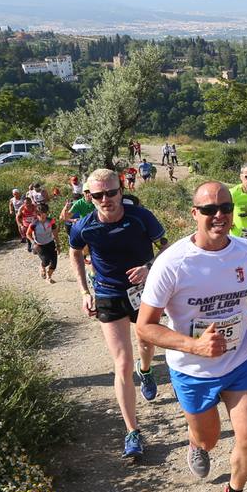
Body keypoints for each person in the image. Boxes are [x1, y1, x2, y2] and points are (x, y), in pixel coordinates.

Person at [137, 182, 247, 492]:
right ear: (194, 214)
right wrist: (194, 346)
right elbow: (145, 327)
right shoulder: (172, 264)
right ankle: (195, 442)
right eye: (209, 209)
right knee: (209, 440)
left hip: (239, 361)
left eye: (225, 208)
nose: (219, 215)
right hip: (192, 370)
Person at [68, 169, 168, 461]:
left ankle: (145, 370)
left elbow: (166, 248)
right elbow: (75, 253)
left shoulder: (141, 217)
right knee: (122, 363)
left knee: (146, 344)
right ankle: (132, 431)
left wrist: (149, 267)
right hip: (108, 294)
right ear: (89, 197)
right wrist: (84, 292)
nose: (106, 199)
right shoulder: (84, 226)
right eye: (98, 195)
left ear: (120, 191)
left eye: (111, 193)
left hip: (143, 292)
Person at [27, 201, 59, 282]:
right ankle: (42, 266)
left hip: (50, 243)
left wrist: (58, 244)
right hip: (39, 245)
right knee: (46, 261)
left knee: (54, 263)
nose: (43, 215)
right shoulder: (34, 224)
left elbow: (55, 232)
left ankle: (49, 277)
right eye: (41, 214)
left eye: (45, 213)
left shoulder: (50, 221)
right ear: (37, 214)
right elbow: (28, 234)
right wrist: (33, 242)